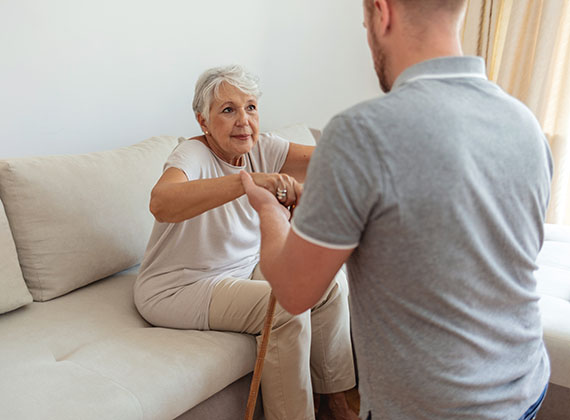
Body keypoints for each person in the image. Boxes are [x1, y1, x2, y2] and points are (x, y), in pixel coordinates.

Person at [240, 1, 553, 419]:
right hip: (524, 389)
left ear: (381, 12)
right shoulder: (524, 122)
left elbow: (295, 293)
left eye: (365, 23)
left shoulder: (360, 132)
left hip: (432, 408)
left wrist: (269, 214)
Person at [134, 64, 358, 420]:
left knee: (327, 283)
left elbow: (330, 161)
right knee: (287, 305)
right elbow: (160, 203)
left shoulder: (262, 147)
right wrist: (247, 182)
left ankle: (338, 401)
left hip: (241, 267)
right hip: (180, 286)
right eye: (228, 110)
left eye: (250, 107)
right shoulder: (191, 155)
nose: (243, 120)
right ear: (203, 122)